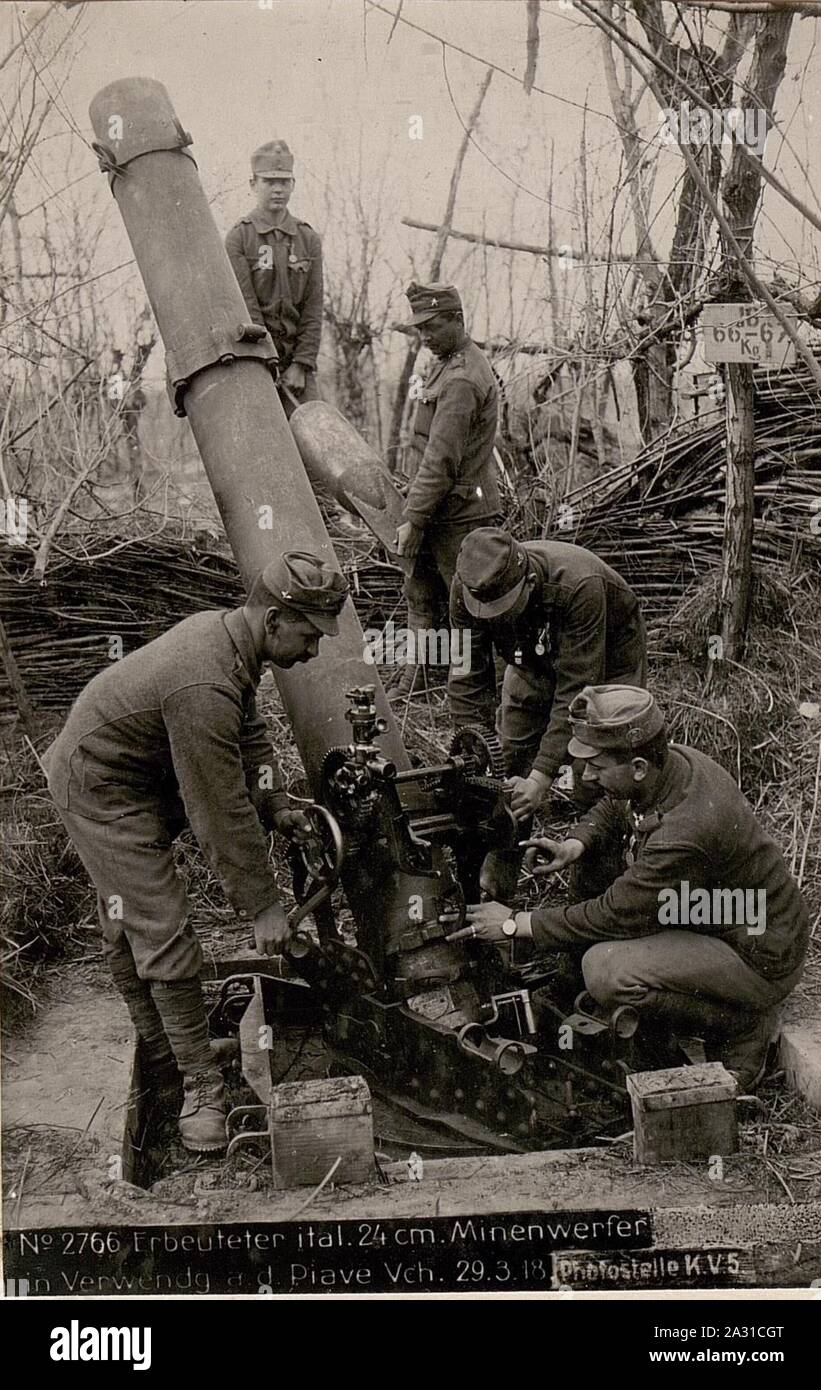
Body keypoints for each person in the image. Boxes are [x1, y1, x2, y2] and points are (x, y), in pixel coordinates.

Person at [42, 552, 348, 1152]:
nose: (313, 651)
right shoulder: (202, 681)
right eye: (309, 635)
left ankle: (166, 1056)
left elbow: (251, 738)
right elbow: (218, 809)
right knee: (160, 925)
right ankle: (199, 1087)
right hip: (101, 790)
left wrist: (278, 801)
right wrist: (262, 906)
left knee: (131, 921)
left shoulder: (232, 643)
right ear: (274, 618)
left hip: (140, 778)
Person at [452, 685, 808, 1091]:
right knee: (594, 863)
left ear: (637, 766)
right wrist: (575, 844)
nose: (586, 776)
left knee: (605, 969)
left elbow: (614, 913)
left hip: (759, 955)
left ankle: (743, 1023)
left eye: (597, 767)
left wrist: (516, 924)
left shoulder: (685, 833)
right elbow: (615, 806)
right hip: (720, 917)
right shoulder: (673, 767)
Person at [448, 527, 647, 897]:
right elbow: (466, 676)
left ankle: (597, 889)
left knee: (596, 771)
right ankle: (497, 883)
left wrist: (541, 779)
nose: (497, 620)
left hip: (607, 656)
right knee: (508, 768)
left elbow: (576, 694)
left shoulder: (578, 585)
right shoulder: (466, 587)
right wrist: (473, 758)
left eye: (505, 610)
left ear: (528, 581)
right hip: (529, 661)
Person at [391, 282, 501, 693]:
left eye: (432, 326)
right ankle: (416, 678)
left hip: (460, 513)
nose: (424, 337)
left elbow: (441, 459)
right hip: (439, 504)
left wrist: (414, 518)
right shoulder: (444, 361)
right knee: (420, 591)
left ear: (457, 319)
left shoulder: (462, 379)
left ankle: (468, 691)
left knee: (467, 609)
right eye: (419, 328)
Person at [225, 140, 323, 413]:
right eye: (269, 181)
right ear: (253, 184)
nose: (278, 189)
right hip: (256, 360)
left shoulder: (307, 238)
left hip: (298, 368)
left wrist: (301, 365)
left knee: (316, 436)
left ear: (293, 184)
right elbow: (245, 307)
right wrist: (267, 360)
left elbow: (313, 309)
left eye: (284, 181)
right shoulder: (239, 238)